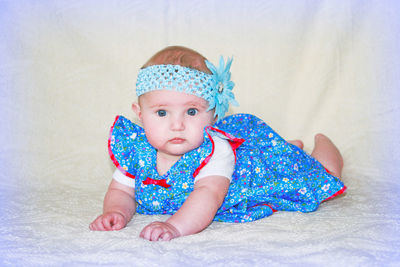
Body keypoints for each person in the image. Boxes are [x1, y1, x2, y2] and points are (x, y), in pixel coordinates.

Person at [89, 46, 346, 241]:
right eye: (162, 113)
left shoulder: (214, 151)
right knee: (283, 152)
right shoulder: (135, 150)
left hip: (251, 174)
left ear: (213, 115)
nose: (177, 125)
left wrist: (174, 226)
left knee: (314, 177)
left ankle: (322, 146)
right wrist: (117, 213)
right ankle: (289, 146)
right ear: (140, 114)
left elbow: (208, 195)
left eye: (191, 112)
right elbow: (122, 191)